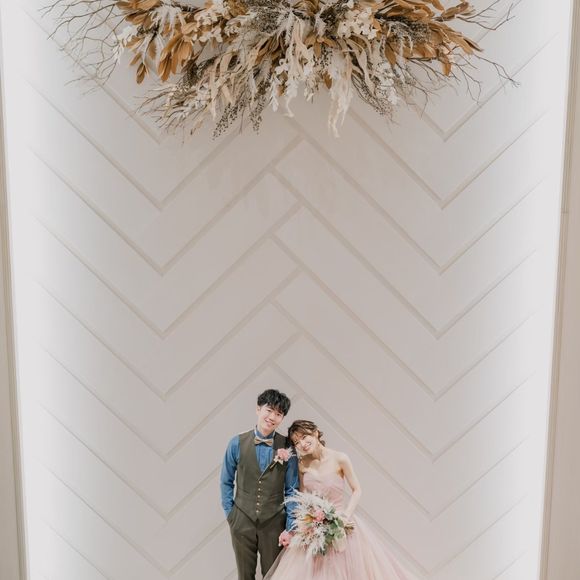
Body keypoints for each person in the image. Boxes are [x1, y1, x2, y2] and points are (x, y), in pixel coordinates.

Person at [264, 420, 416, 580]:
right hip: (314, 527)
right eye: (296, 442)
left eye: (304, 437)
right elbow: (303, 497)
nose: (302, 444)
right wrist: (303, 524)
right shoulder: (302, 464)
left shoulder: (340, 458)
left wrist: (345, 516)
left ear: (315, 432)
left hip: (341, 523)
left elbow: (357, 490)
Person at [220, 389, 299, 580]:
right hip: (241, 520)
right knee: (244, 576)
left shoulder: (287, 447)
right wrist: (231, 515)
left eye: (278, 414)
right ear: (258, 409)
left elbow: (292, 490)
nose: (272, 417)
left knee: (273, 575)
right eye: (269, 410)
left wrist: (290, 527)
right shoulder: (236, 443)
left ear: (282, 418)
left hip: (274, 523)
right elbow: (226, 481)